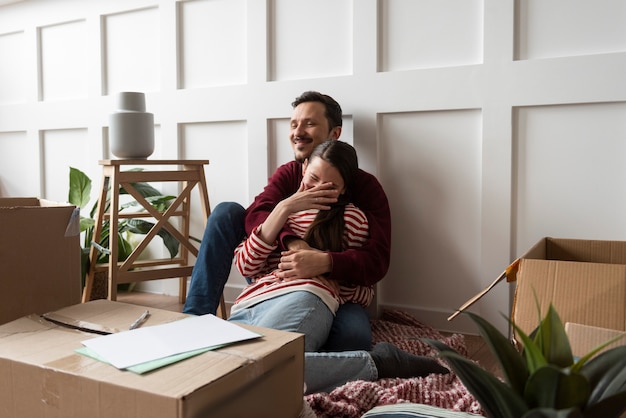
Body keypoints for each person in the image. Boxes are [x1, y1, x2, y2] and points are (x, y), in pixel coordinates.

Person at [227, 140, 448, 394]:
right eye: (313, 178)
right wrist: (284, 207)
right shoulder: (280, 212)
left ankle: (375, 363)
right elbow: (245, 265)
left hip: (305, 297)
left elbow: (363, 285)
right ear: (304, 166)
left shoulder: (351, 219)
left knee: (257, 371)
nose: (317, 191)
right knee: (225, 366)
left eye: (330, 187)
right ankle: (377, 362)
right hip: (250, 302)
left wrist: (324, 271)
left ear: (344, 190)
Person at [184, 91, 391, 351]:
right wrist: (292, 237)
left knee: (353, 339)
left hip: (334, 286)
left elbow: (377, 261)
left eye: (310, 123)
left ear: (334, 133)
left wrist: (324, 263)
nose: (298, 132)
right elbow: (254, 216)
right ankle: (194, 319)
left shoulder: (365, 189)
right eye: (294, 124)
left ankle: (311, 352)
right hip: (274, 271)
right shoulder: (290, 174)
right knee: (227, 212)